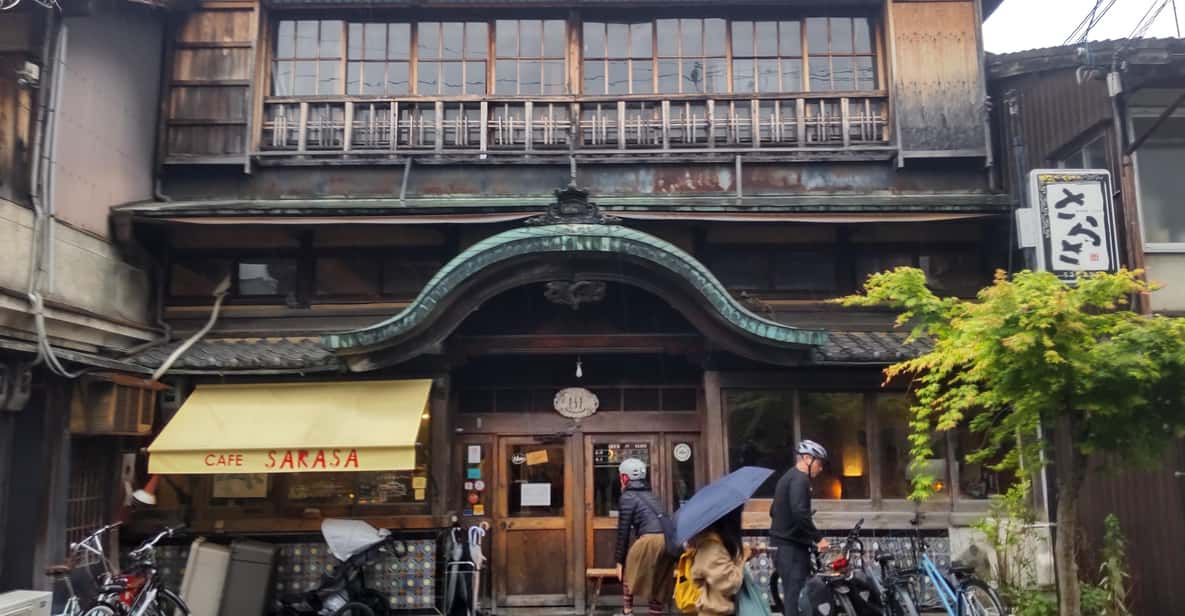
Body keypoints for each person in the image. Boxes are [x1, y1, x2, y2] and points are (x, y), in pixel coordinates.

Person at [769, 440, 829, 616]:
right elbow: (799, 513)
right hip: (791, 548)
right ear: (807, 458)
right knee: (794, 597)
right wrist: (819, 538)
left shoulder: (787, 477)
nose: (821, 468)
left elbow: (774, 510)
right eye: (819, 462)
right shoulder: (800, 480)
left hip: (781, 545)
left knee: (792, 594)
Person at [614, 458, 675, 616]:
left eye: (621, 477)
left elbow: (623, 531)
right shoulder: (652, 496)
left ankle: (627, 612)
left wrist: (619, 560)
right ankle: (654, 613)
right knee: (659, 579)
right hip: (668, 540)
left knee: (629, 571)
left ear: (625, 478)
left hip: (649, 540)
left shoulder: (627, 497)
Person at [687, 505, 752, 616]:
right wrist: (743, 558)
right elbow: (730, 584)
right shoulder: (712, 548)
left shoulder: (718, 543)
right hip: (714, 612)